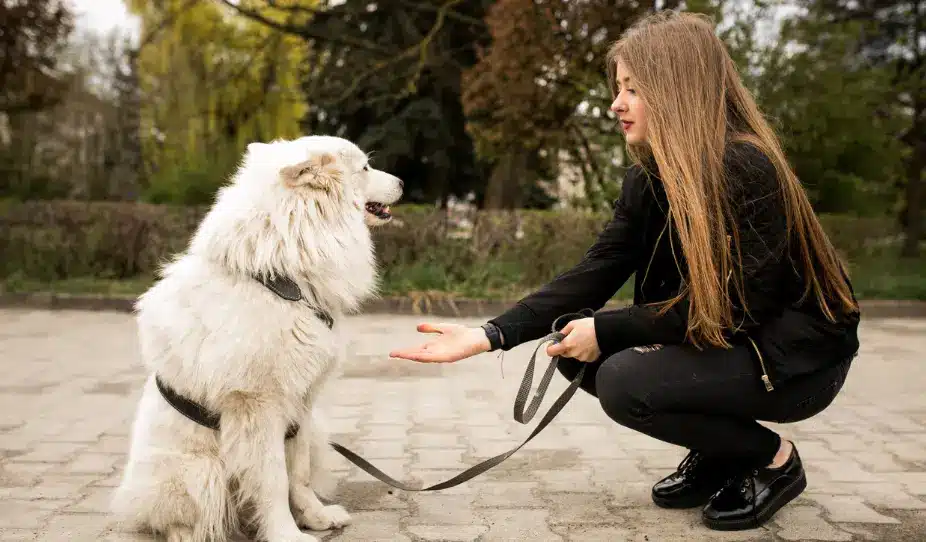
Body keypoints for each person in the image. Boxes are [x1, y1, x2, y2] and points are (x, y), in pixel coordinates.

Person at [389, 10, 860, 532]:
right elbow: (598, 268)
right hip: (732, 343)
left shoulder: (747, 168)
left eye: (632, 89)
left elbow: (738, 308)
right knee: (574, 347)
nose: (616, 103)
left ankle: (772, 458)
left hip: (795, 364)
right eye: (619, 88)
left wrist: (608, 329)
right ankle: (722, 451)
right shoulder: (650, 177)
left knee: (623, 378)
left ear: (677, 91)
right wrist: (489, 334)